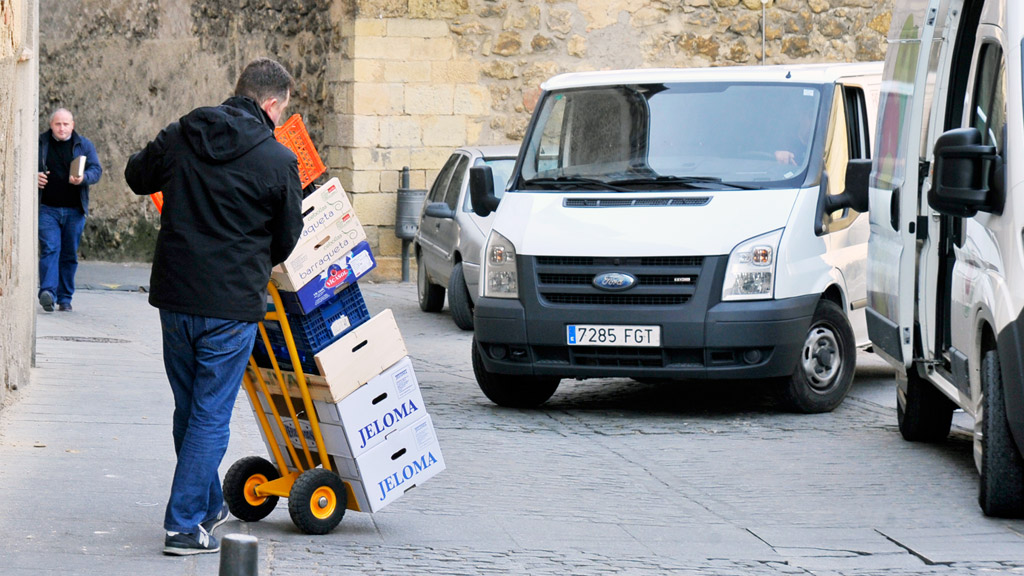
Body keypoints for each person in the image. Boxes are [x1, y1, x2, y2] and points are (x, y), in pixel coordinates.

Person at [124, 58, 303, 556]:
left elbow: (137, 175)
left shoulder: (184, 133)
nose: (284, 118)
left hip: (177, 298)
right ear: (271, 104)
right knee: (208, 415)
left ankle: (205, 507)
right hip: (230, 304)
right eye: (284, 109)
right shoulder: (277, 160)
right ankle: (183, 526)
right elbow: (288, 240)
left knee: (191, 408)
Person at [37, 108, 102, 312]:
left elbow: (96, 170)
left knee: (68, 254)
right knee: (50, 248)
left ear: (72, 125)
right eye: (58, 124)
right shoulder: (40, 143)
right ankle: (48, 292)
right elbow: (23, 165)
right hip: (47, 209)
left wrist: (83, 179)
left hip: (74, 210)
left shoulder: (83, 145)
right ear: (51, 125)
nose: (62, 128)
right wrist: (34, 176)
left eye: (66, 124)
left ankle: (65, 298)